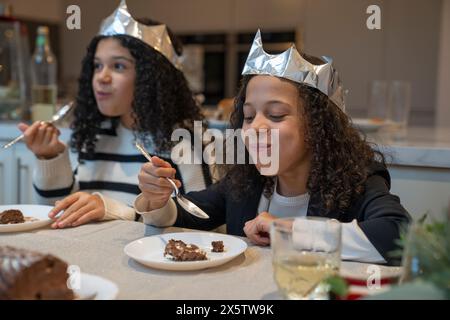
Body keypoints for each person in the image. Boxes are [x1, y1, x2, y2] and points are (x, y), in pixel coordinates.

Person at [134, 30, 411, 265]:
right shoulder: (246, 182)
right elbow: (191, 214)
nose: (255, 128)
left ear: (319, 127)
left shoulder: (357, 182)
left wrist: (288, 231)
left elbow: (398, 233)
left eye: (276, 115)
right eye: (249, 116)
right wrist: (156, 201)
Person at [18, 2, 212, 228]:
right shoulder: (93, 137)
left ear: (152, 79)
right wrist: (50, 158)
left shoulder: (186, 141)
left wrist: (116, 211)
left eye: (118, 66)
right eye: (97, 66)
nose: (102, 77)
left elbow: (202, 226)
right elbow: (59, 216)